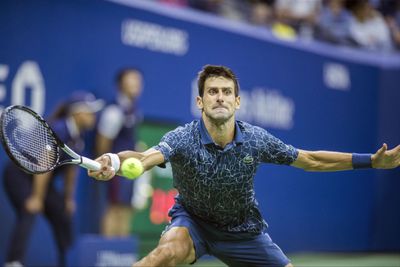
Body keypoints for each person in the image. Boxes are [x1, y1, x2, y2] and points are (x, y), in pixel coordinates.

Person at [88, 65, 400, 267]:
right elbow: (144, 159)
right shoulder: (183, 137)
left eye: (226, 92)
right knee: (164, 253)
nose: (220, 97)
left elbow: (311, 159)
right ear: (200, 102)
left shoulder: (256, 140)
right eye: (212, 91)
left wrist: (371, 161)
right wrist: (114, 161)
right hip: (193, 223)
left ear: (237, 102)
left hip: (244, 232)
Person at [3, 91, 104, 267]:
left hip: (40, 178)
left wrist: (68, 199)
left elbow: (72, 171)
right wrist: (37, 197)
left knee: (63, 215)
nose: (93, 116)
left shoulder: (77, 137)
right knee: (29, 211)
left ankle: (67, 262)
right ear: (77, 113)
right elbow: (44, 166)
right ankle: (14, 262)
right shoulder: (59, 129)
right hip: (20, 175)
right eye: (89, 111)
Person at [95, 68, 143, 237]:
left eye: (138, 80)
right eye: (132, 79)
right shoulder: (114, 111)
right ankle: (108, 253)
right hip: (114, 168)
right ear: (121, 84)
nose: (137, 83)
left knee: (126, 210)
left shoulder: (133, 109)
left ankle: (121, 254)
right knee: (114, 208)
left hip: (128, 168)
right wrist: (107, 164)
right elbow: (103, 143)